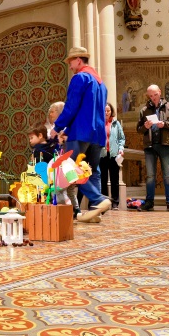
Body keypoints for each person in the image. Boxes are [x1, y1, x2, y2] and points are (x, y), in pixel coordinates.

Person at [52, 46, 111, 222]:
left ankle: (99, 199)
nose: (70, 66)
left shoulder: (80, 78)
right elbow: (93, 111)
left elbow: (72, 107)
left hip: (81, 132)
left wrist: (58, 127)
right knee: (92, 171)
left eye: (70, 62)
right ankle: (95, 211)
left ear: (78, 60)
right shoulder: (101, 83)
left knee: (70, 169)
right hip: (97, 133)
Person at [137, 84, 169, 212]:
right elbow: (139, 129)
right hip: (150, 146)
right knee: (150, 176)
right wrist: (145, 127)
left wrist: (165, 124)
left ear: (160, 92)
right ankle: (149, 202)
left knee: (167, 174)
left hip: (165, 144)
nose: (153, 98)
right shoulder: (144, 109)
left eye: (155, 95)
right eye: (150, 96)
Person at [99, 103, 125, 208]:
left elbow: (121, 138)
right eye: (104, 110)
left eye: (108, 110)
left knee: (114, 180)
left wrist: (121, 149)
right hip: (102, 154)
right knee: (103, 179)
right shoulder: (98, 123)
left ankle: (115, 202)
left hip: (114, 154)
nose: (106, 112)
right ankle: (105, 202)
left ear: (111, 111)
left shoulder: (116, 123)